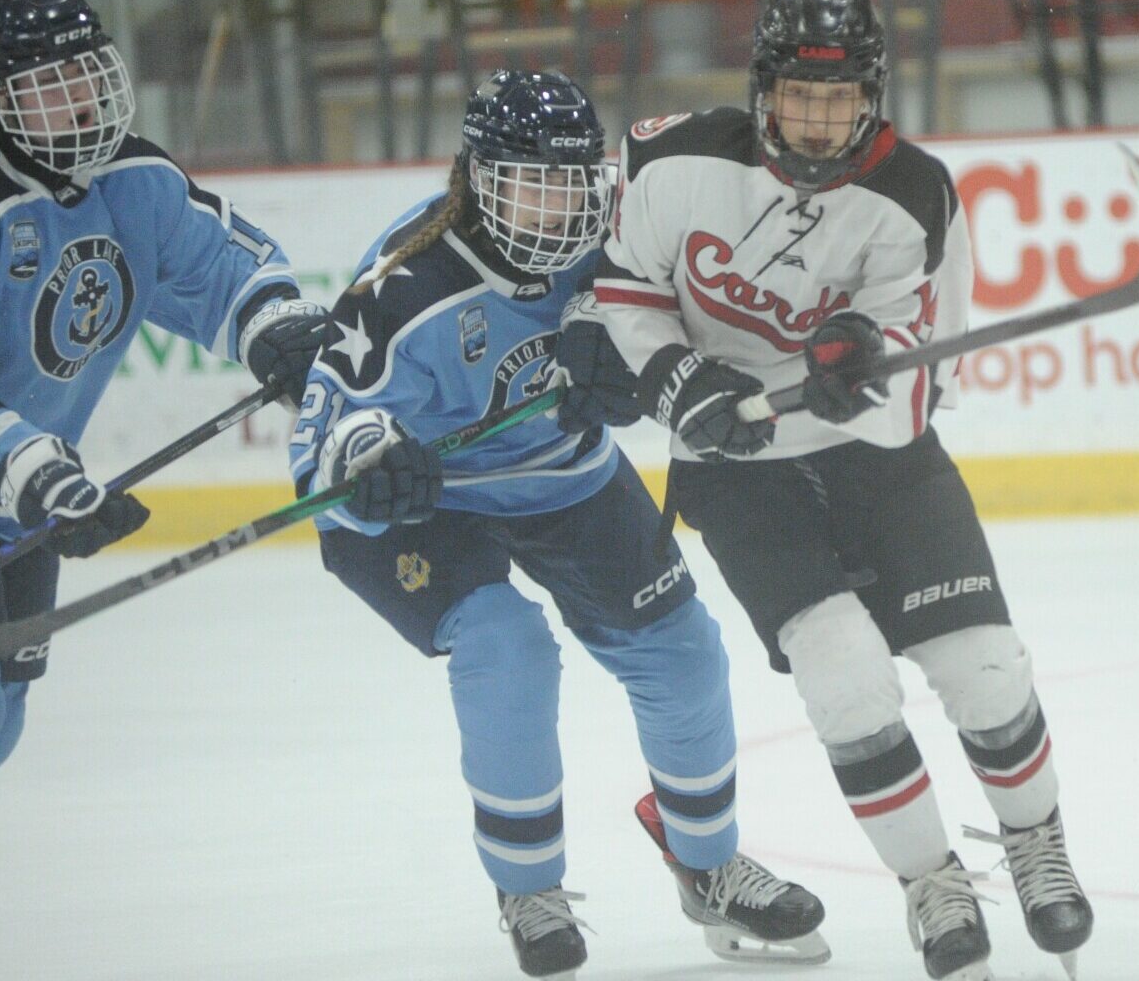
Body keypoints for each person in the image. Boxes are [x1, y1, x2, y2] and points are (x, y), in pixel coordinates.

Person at [591, 0, 1095, 981]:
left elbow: (920, 377)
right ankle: (932, 885)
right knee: (847, 683)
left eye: (841, 100)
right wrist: (674, 375)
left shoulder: (913, 193)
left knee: (985, 668)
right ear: (764, 87)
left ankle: (1037, 843)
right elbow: (621, 288)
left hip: (877, 457)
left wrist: (854, 360)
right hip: (736, 473)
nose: (819, 122)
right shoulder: (671, 159)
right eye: (800, 97)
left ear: (871, 96)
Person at [290, 69, 827, 980]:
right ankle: (528, 884)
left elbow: (675, 324)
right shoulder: (405, 280)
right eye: (531, 182)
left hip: (564, 482)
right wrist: (368, 460)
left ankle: (706, 866)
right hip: (434, 501)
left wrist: (643, 365)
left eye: (573, 179)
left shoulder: (616, 236)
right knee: (508, 645)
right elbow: (330, 428)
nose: (558, 207)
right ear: (476, 178)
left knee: (682, 651)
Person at [0, 0, 327, 979]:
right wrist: (32, 470)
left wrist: (274, 325)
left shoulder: (132, 180)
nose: (81, 103)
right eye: (48, 86)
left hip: (17, 503)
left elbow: (216, 262)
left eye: (86, 74)